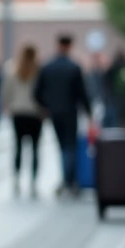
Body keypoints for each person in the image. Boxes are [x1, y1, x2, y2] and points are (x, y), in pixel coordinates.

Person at [34, 34, 92, 196]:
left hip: (54, 112)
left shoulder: (47, 66)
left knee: (61, 146)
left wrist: (45, 106)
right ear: (69, 46)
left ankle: (66, 179)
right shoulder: (74, 67)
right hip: (70, 112)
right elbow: (82, 93)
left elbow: (37, 91)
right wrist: (89, 113)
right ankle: (70, 181)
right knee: (70, 146)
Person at [1, 44, 43, 197]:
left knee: (18, 147)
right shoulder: (38, 71)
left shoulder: (12, 69)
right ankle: (33, 182)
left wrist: (8, 105)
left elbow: (6, 92)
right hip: (35, 113)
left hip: (18, 112)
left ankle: (17, 180)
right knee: (35, 149)